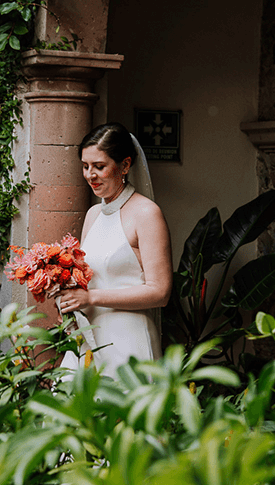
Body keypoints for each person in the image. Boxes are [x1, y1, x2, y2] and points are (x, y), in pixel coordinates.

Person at [55, 123, 173, 373]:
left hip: (129, 340)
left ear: (125, 166)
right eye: (85, 166)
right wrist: (69, 302)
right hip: (90, 339)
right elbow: (87, 278)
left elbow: (160, 292)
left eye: (99, 166)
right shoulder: (93, 214)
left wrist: (91, 298)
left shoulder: (146, 213)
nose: (90, 175)